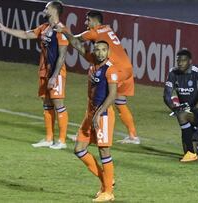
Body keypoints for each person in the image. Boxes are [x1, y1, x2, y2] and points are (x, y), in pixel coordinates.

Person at [56, 10, 140, 144]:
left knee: (99, 99)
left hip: (115, 69)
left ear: (94, 21)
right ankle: (133, 135)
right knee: (120, 102)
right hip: (127, 68)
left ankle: (87, 134)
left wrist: (63, 30)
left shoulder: (94, 32)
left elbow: (76, 40)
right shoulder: (107, 28)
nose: (85, 23)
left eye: (87, 20)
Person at [0, 1, 69, 149]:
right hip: (44, 71)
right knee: (47, 104)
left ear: (54, 10)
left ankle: (61, 141)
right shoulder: (44, 28)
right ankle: (49, 139)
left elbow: (62, 55)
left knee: (58, 104)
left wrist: (55, 76)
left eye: (47, 7)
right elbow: (24, 34)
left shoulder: (61, 30)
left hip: (56, 72)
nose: (44, 9)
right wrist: (4, 29)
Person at [73, 40, 117, 202]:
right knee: (79, 149)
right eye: (97, 50)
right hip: (90, 114)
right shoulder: (93, 65)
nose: (100, 53)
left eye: (103, 50)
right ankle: (106, 182)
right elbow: (77, 45)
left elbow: (112, 95)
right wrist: (63, 30)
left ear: (108, 51)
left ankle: (108, 192)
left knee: (104, 151)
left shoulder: (110, 70)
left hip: (103, 115)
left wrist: (98, 113)